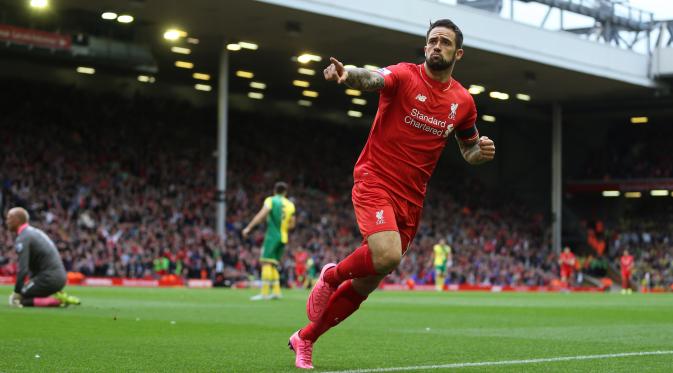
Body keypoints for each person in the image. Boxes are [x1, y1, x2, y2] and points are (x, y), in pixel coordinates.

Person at [288, 19, 495, 369]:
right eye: (432, 41)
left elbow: (469, 149)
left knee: (368, 283)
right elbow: (374, 78)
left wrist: (480, 153)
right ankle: (330, 276)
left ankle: (305, 338)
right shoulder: (404, 75)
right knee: (386, 256)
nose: (436, 46)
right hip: (375, 178)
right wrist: (348, 75)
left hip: (412, 198)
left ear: (457, 53)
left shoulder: (463, 101)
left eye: (444, 42)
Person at [6, 207, 80, 308]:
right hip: (56, 278)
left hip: (49, 279)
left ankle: (57, 300)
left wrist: (17, 292)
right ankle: (57, 296)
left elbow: (23, 270)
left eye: (9, 218)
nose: (7, 221)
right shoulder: (33, 232)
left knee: (19, 299)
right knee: (24, 294)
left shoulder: (24, 237)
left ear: (18, 220)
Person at [242, 182, 296, 301]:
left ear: (274, 190)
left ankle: (264, 293)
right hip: (283, 237)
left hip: (272, 236)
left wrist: (249, 228)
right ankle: (276, 292)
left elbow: (261, 215)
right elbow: (292, 224)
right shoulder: (290, 205)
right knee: (273, 264)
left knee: (266, 262)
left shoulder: (271, 200)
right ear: (285, 192)